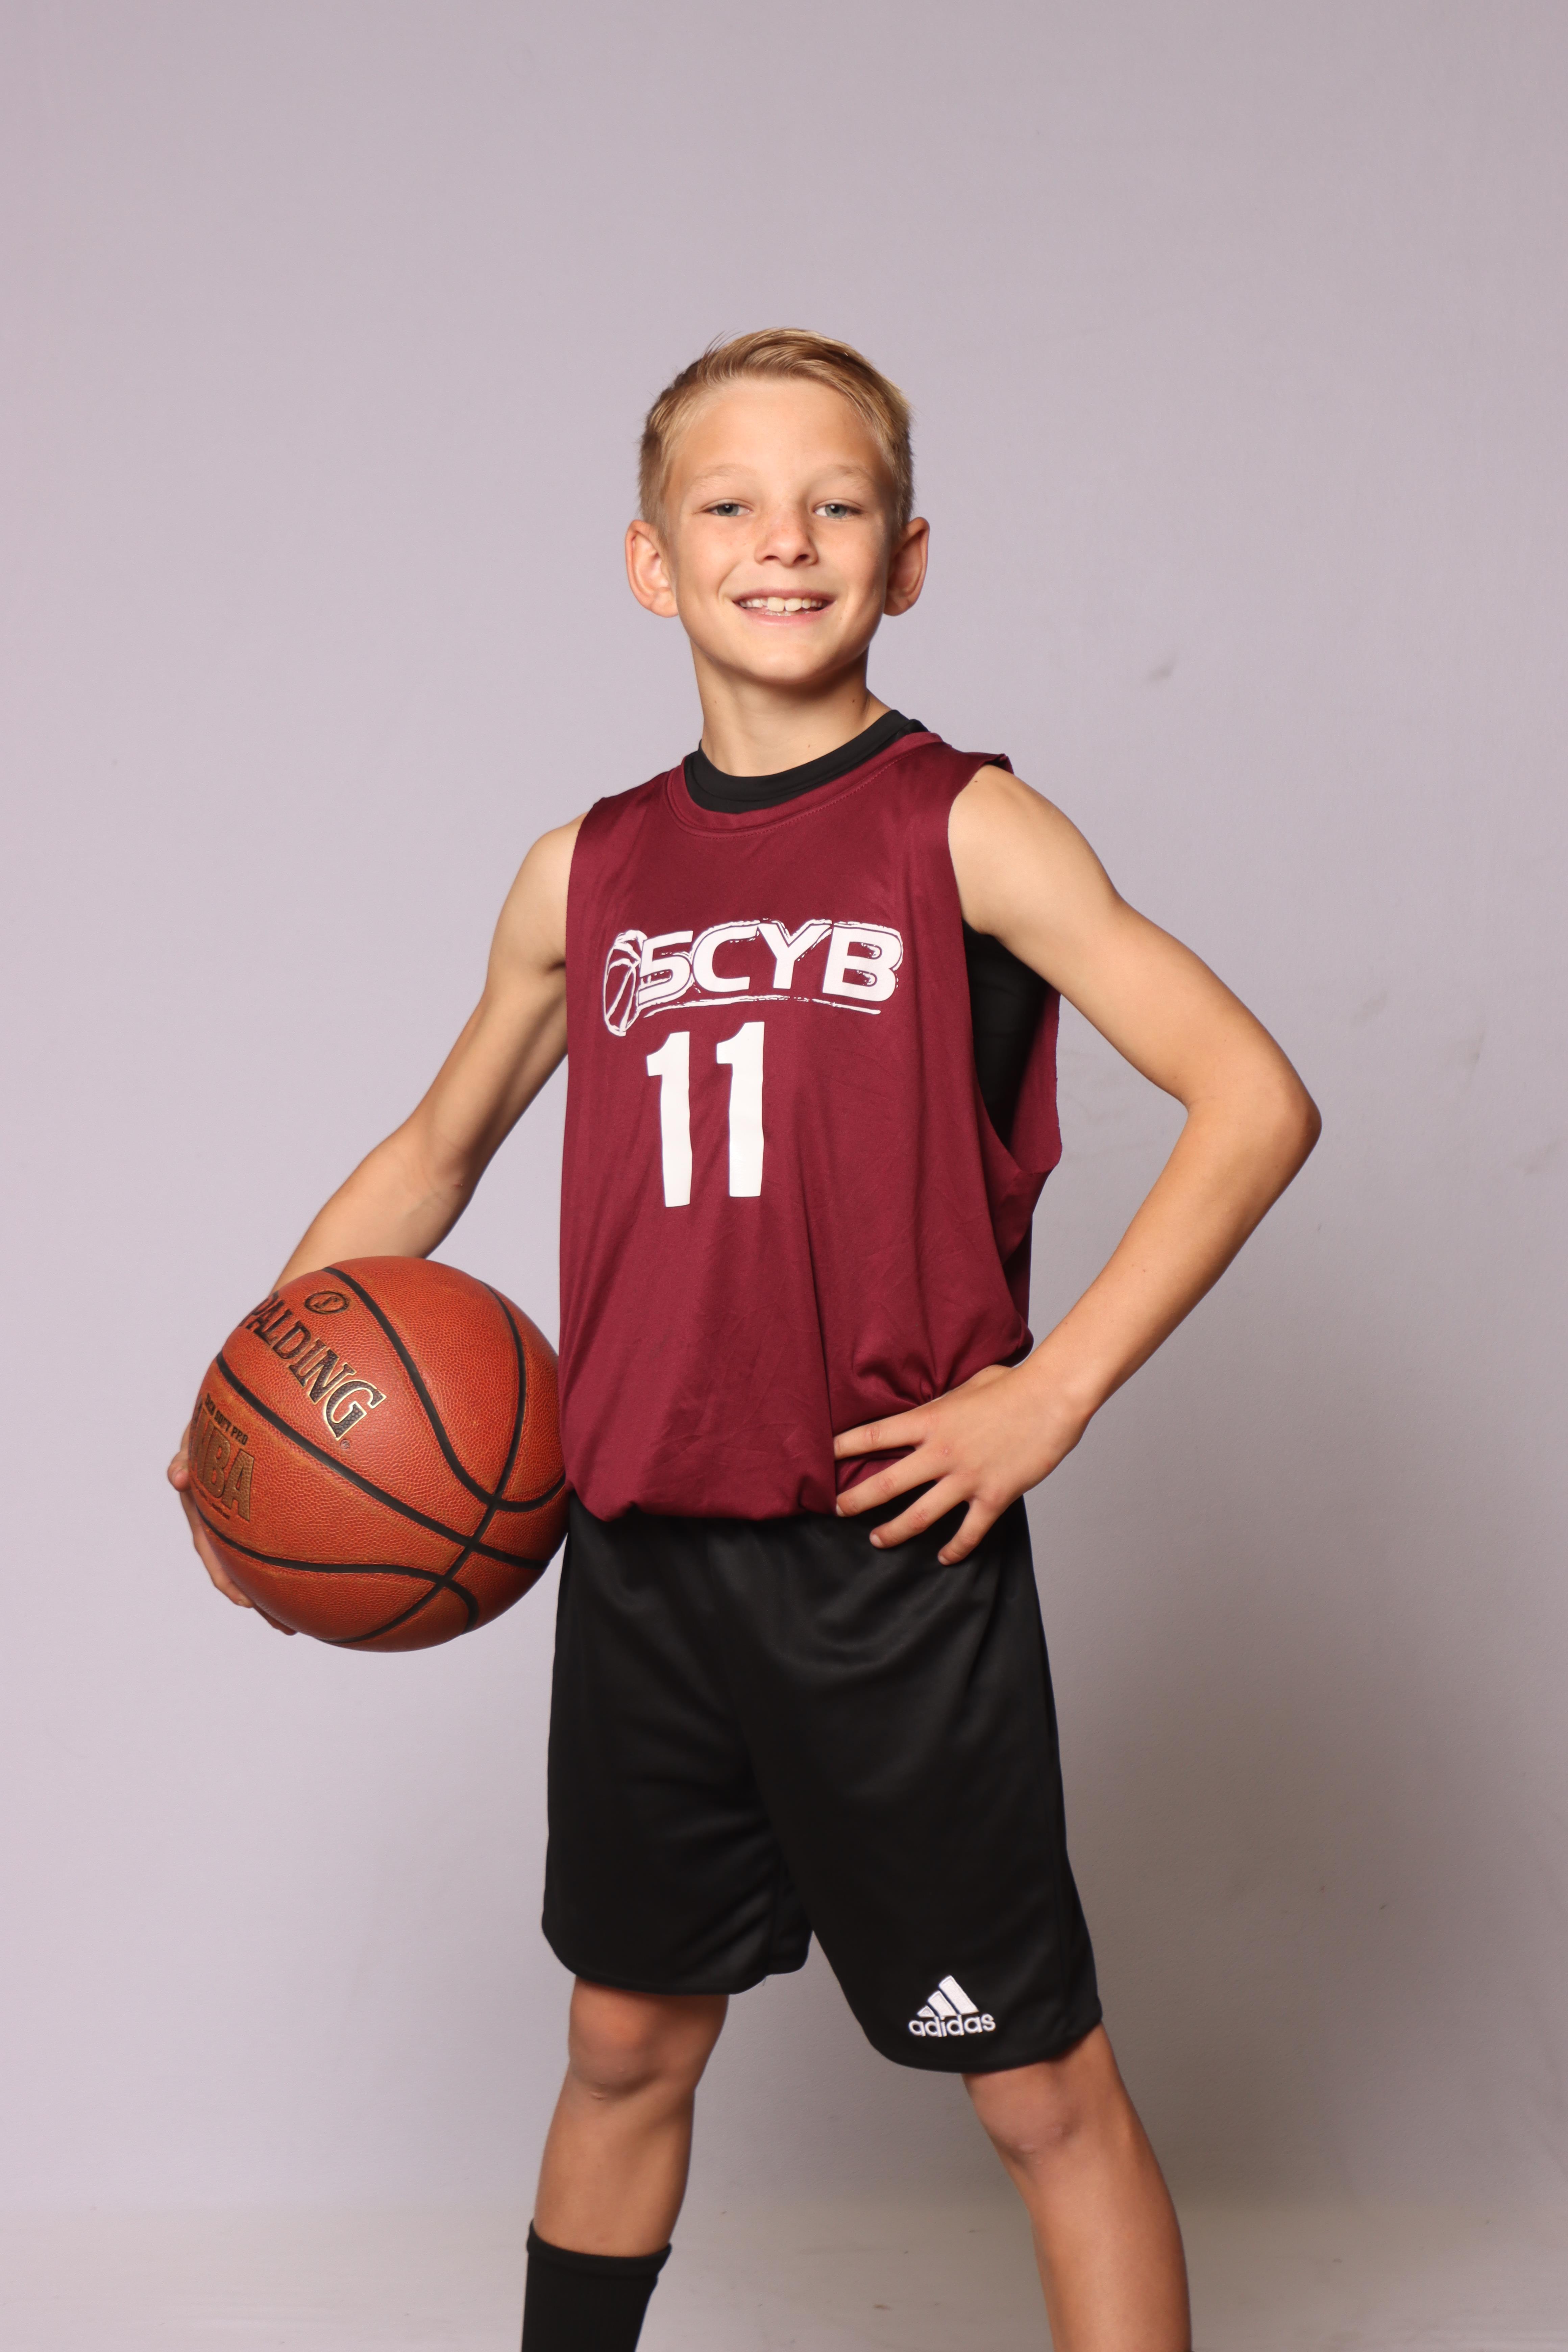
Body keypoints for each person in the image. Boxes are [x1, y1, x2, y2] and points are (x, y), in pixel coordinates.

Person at [171, 328, 1319, 2352]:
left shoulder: (967, 826)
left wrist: (1050, 1393)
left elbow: (1254, 1097)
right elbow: (435, 1153)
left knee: (1037, 2091)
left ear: (908, 558)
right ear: (652, 561)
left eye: (835, 505)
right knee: (623, 2047)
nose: (782, 542)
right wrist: (244, 1420)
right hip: (640, 1563)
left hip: (887, 1568)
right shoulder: (587, 871)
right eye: (729, 506)